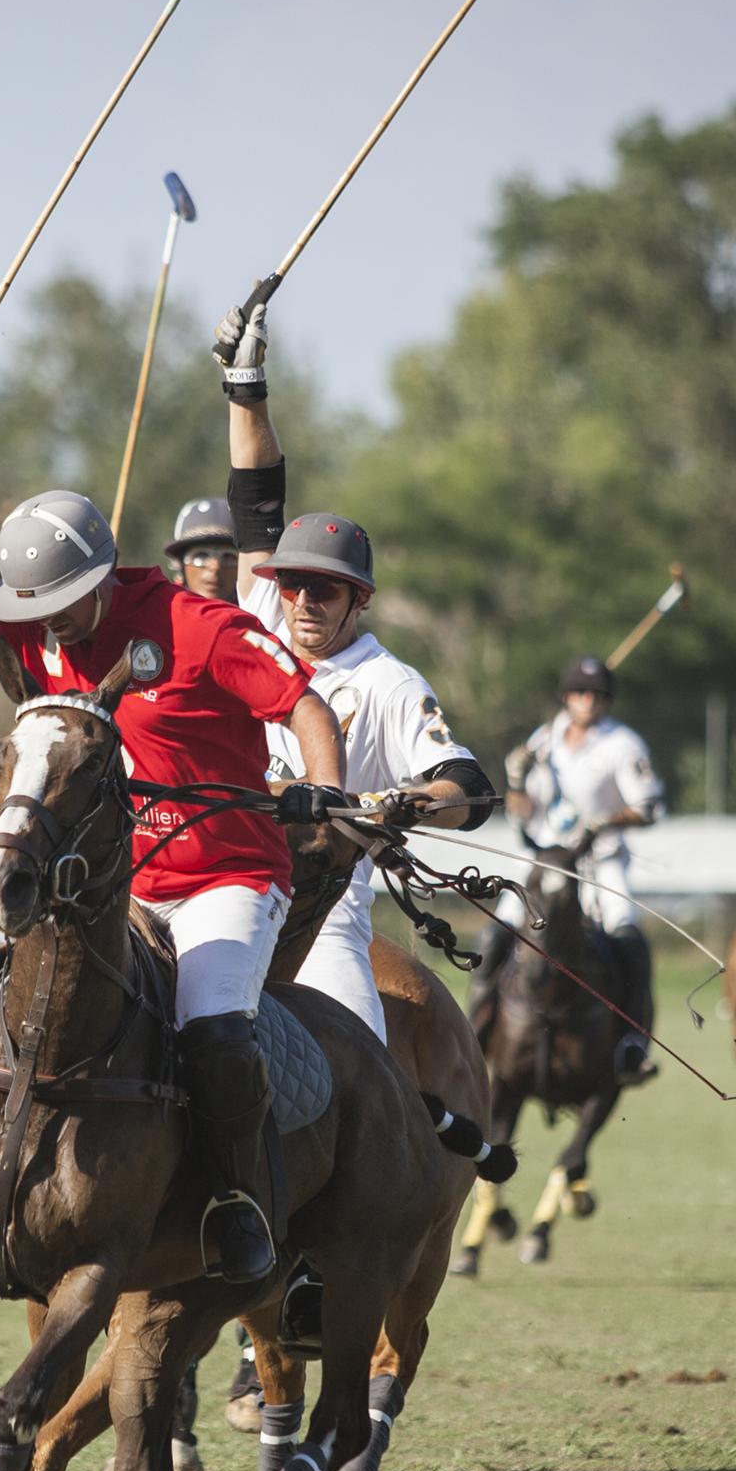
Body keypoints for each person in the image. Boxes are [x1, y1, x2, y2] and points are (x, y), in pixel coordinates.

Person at [0, 434, 346, 1284]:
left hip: (222, 876)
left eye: (59, 603)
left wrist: (322, 785)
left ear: (99, 581)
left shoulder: (197, 628)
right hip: (100, 881)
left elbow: (305, 703)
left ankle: (239, 1205)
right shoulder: (34, 627)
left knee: (213, 1032)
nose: (44, 624)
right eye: (32, 607)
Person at [214, 301, 497, 1045]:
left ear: (358, 600)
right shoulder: (261, 616)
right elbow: (256, 496)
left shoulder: (388, 683)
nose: (305, 602)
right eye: (294, 584)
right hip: (218, 872)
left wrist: (409, 801)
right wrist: (247, 387)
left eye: (326, 590)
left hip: (324, 903)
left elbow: (469, 784)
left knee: (358, 1053)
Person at [467, 654, 665, 1085]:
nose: (587, 700)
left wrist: (607, 820)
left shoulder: (624, 745)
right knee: (493, 937)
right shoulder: (543, 741)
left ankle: (631, 1043)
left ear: (606, 700)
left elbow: (650, 807)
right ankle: (474, 1034)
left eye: (596, 694)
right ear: (566, 696)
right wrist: (516, 781)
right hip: (541, 862)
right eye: (580, 692)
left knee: (630, 942)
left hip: (599, 863)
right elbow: (522, 811)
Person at [165, 498, 239, 601]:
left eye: (228, 557)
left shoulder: (264, 614)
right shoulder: (160, 613)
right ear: (180, 565)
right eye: (201, 555)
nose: (215, 567)